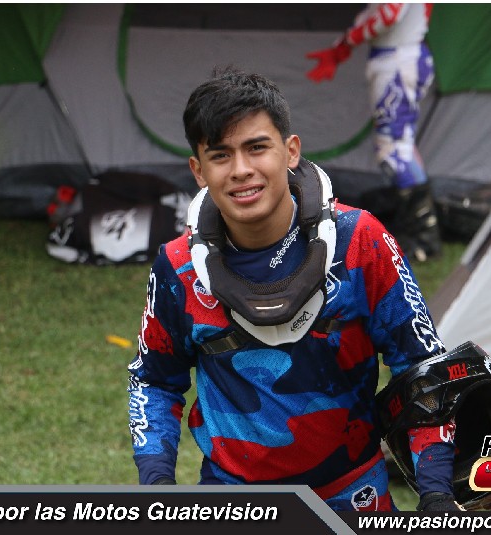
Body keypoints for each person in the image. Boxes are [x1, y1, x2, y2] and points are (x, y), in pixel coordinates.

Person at [127, 66, 461, 511]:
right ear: (198, 170)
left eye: (257, 148)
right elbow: (153, 381)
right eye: (220, 155)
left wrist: (437, 493)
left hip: (354, 496)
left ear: (290, 151)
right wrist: (156, 488)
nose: (241, 170)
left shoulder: (360, 241)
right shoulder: (178, 267)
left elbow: (422, 367)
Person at [305, 3, 441, 262]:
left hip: (399, 59)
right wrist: (342, 46)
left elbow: (389, 13)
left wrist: (347, 43)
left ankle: (424, 238)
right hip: (397, 57)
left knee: (394, 151)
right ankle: (417, 229)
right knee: (400, 147)